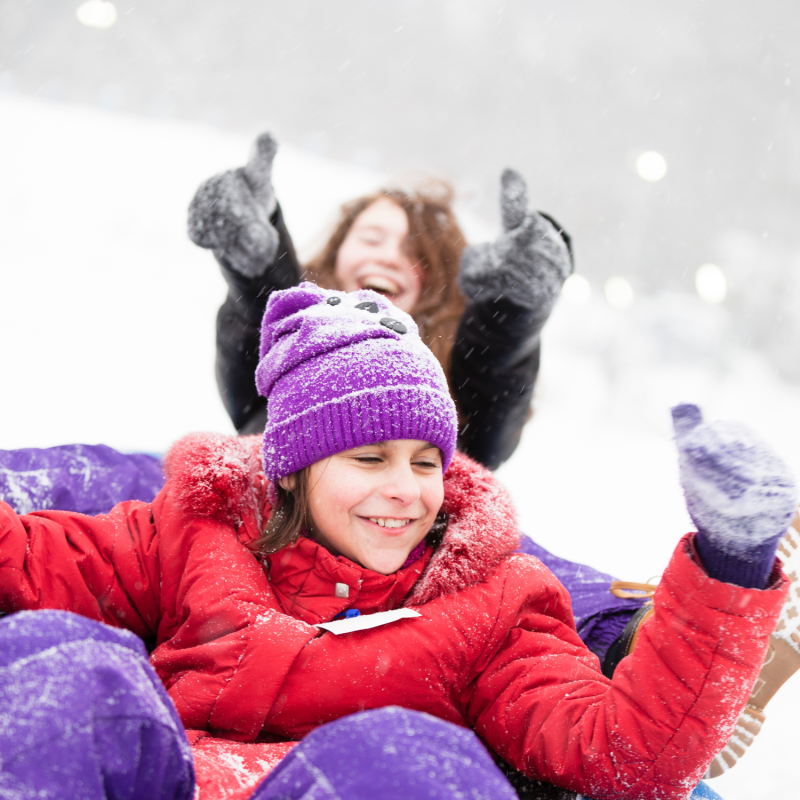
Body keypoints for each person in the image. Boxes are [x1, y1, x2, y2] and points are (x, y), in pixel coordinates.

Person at [0, 284, 794, 800]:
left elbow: (622, 754)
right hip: (174, 780)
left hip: (342, 788)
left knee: (406, 756)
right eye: (368, 459)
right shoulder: (193, 535)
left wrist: (730, 561)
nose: (406, 490)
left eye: (425, 463)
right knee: (68, 665)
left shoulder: (494, 607)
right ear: (293, 471)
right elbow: (27, 560)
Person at [188, 132, 574, 471]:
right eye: (372, 238)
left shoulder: (464, 369)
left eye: (416, 253)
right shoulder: (288, 343)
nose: (390, 257)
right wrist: (256, 265)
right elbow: (258, 325)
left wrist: (513, 305)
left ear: (440, 279)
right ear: (338, 251)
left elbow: (497, 372)